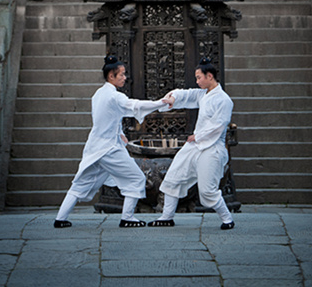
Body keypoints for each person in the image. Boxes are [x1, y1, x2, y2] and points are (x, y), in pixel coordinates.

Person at [54, 54, 172, 228]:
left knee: (80, 183)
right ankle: (127, 217)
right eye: (122, 74)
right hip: (109, 149)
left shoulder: (98, 95)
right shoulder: (114, 97)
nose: (125, 78)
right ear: (111, 76)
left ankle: (60, 218)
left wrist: (119, 132)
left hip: (96, 148)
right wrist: (160, 103)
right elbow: (135, 106)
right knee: (136, 178)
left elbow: (107, 117)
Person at [148, 57, 235, 230]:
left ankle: (227, 219)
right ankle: (167, 216)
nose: (197, 81)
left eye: (199, 77)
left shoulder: (224, 100)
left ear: (209, 76)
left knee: (207, 192)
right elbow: (186, 94)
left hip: (211, 148)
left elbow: (219, 125)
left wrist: (198, 135)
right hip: (195, 147)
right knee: (173, 177)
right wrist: (173, 98)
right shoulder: (203, 94)